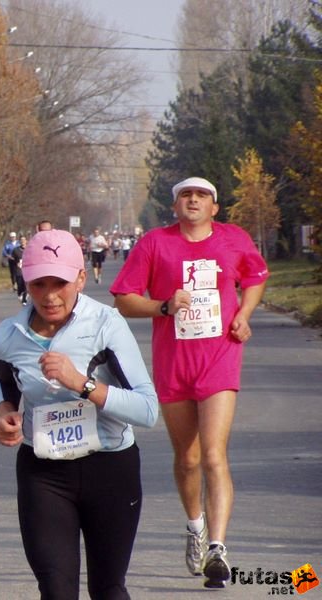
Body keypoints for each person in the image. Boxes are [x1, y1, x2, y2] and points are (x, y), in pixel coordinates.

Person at [109, 176, 269, 589]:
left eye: (202, 196)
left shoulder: (233, 239)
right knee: (189, 458)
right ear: (175, 206)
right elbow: (124, 299)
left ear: (215, 207)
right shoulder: (154, 244)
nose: (194, 200)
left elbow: (255, 278)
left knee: (214, 454)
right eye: (186, 195)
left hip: (220, 357)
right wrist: (162, 305)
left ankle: (218, 547)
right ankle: (195, 526)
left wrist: (244, 314)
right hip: (174, 364)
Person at [0, 229, 158, 600]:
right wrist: (4, 414)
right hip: (44, 473)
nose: (50, 296)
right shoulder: (9, 333)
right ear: (26, 282)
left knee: (109, 590)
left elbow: (148, 410)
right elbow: (4, 384)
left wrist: (81, 383)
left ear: (81, 278)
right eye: (38, 284)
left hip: (111, 469)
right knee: (55, 589)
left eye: (61, 283)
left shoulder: (105, 324)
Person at [10, 235, 28, 304]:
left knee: (26, 285)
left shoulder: (30, 249)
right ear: (19, 241)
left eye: (24, 240)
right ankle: (20, 294)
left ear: (26, 241)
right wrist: (16, 263)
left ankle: (24, 299)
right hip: (19, 270)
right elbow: (12, 259)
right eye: (21, 240)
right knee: (20, 285)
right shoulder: (16, 250)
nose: (22, 241)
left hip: (27, 270)